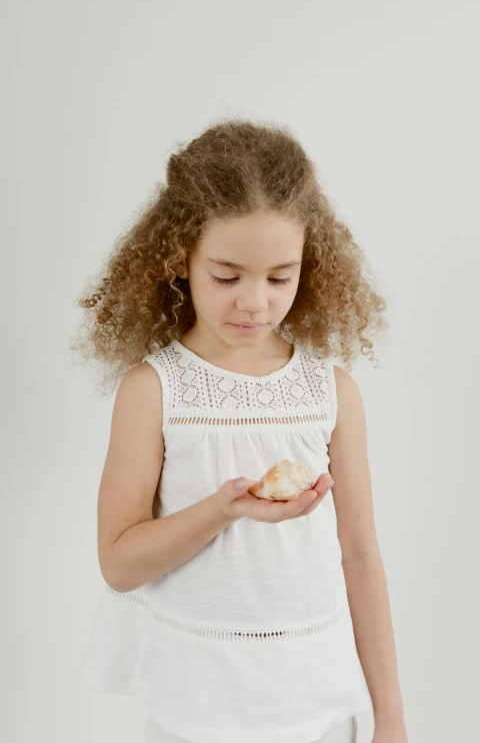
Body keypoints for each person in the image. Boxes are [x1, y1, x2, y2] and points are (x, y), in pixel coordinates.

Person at [73, 118, 408, 743]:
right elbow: (119, 565)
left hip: (320, 703)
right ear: (180, 259)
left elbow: (360, 555)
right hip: (199, 705)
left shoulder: (330, 392)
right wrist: (222, 509)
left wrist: (389, 715)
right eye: (227, 276)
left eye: (280, 277)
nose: (254, 302)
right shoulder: (155, 391)